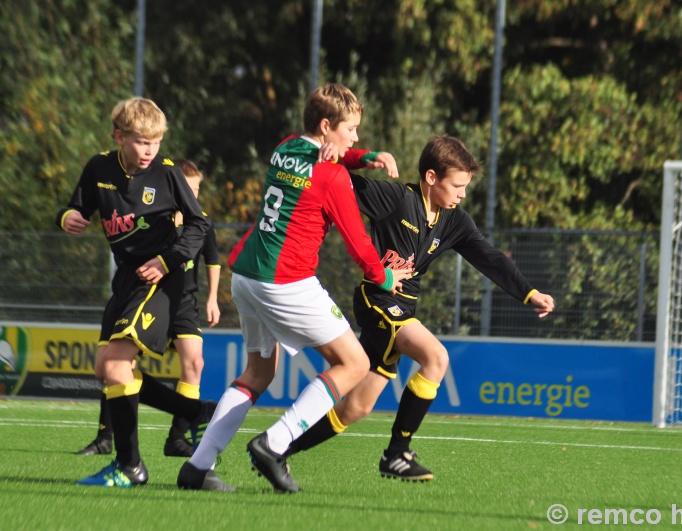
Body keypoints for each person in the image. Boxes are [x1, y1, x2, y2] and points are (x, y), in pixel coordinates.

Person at [176, 83, 411, 493]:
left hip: (247, 276)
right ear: (326, 126)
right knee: (354, 363)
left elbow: (326, 157)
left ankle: (196, 467)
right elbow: (359, 244)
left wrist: (363, 158)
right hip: (285, 282)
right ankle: (275, 443)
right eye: (351, 129)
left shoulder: (285, 148)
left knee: (258, 372)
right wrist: (385, 277)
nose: (356, 137)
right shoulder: (332, 176)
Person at [283, 135, 555, 482]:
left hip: (403, 309)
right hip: (377, 300)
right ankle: (397, 454)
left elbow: (489, 258)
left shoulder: (454, 220)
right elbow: (342, 182)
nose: (462, 194)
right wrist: (336, 157)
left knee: (356, 407)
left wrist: (528, 292)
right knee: (436, 357)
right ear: (431, 178)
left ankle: (279, 448)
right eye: (457, 185)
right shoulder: (397, 198)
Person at [57, 97, 215, 487]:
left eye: (156, 142)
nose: (150, 150)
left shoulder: (167, 172)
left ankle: (130, 466)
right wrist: (68, 217)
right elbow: (77, 206)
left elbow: (198, 224)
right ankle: (192, 412)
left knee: (115, 366)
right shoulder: (99, 167)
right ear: (119, 136)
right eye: (142, 141)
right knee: (105, 371)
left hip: (159, 277)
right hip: (126, 279)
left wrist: (168, 259)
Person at [75, 159, 222, 458]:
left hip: (178, 297)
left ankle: (173, 439)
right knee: (108, 368)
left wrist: (212, 298)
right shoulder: (155, 214)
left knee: (192, 362)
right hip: (134, 288)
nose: (191, 195)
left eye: (195, 190)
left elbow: (213, 259)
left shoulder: (198, 222)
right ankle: (109, 438)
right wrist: (70, 214)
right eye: (188, 189)